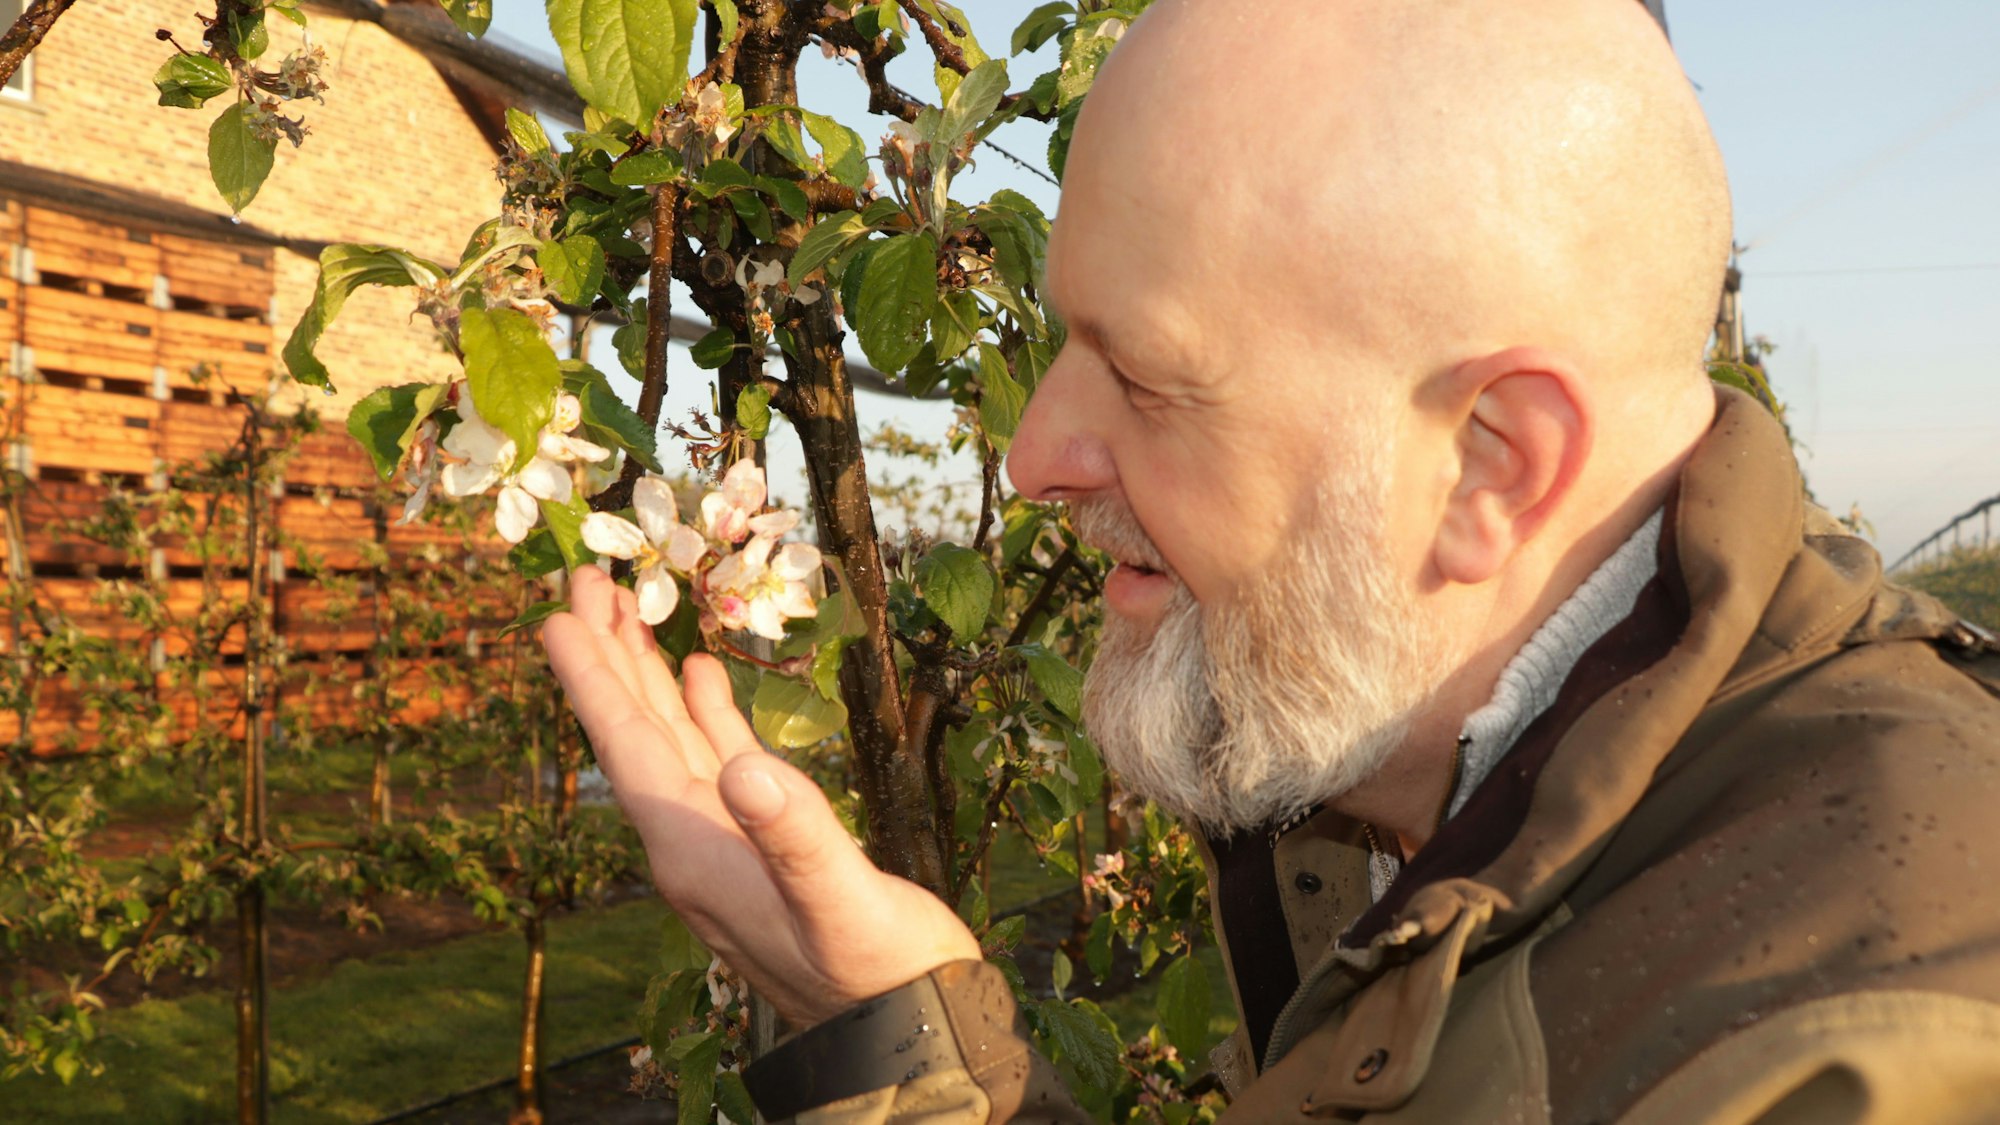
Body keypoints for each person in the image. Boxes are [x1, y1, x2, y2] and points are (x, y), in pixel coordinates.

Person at [541, 0, 2000, 1120]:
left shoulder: (1853, 1046)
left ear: (1491, 461)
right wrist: (896, 1035)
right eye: (1061, 341)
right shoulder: (1391, 785)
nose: (1032, 453)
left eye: (1150, 376)